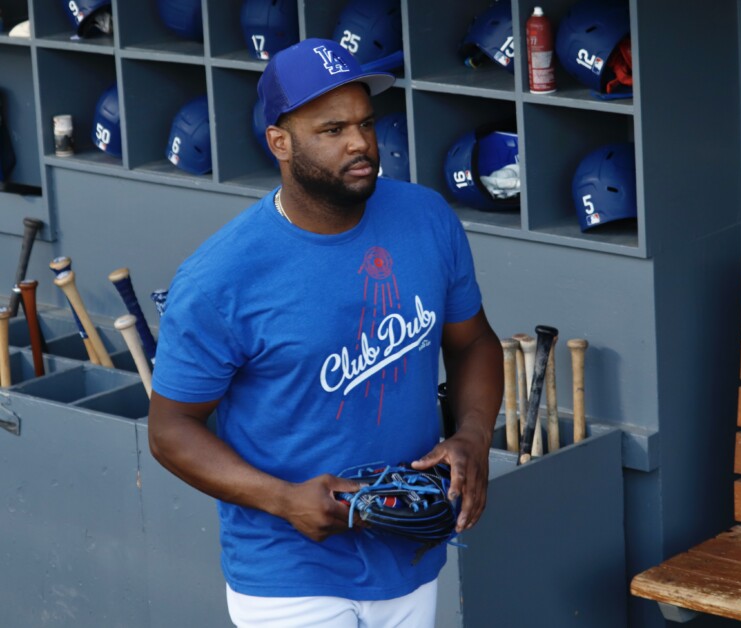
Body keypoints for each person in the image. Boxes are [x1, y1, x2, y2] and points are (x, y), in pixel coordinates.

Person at [148, 37, 503, 628]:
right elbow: (170, 430)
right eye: (332, 128)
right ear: (280, 143)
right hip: (290, 571)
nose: (361, 142)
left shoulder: (426, 218)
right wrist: (282, 499)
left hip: (408, 550)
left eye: (366, 122)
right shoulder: (222, 278)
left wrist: (472, 437)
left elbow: (473, 342)